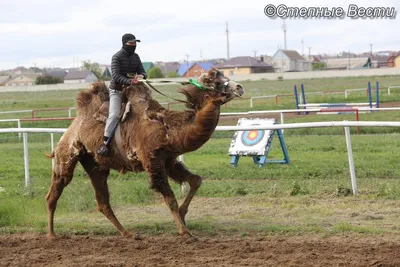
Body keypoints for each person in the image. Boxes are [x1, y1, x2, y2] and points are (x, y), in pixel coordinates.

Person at [97, 33, 147, 156]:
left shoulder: (136, 57)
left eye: (135, 43)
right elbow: (116, 76)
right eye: (131, 43)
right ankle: (105, 143)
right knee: (114, 115)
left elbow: (142, 71)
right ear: (124, 44)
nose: (134, 45)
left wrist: (142, 76)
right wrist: (129, 81)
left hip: (133, 90)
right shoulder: (116, 57)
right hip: (117, 90)